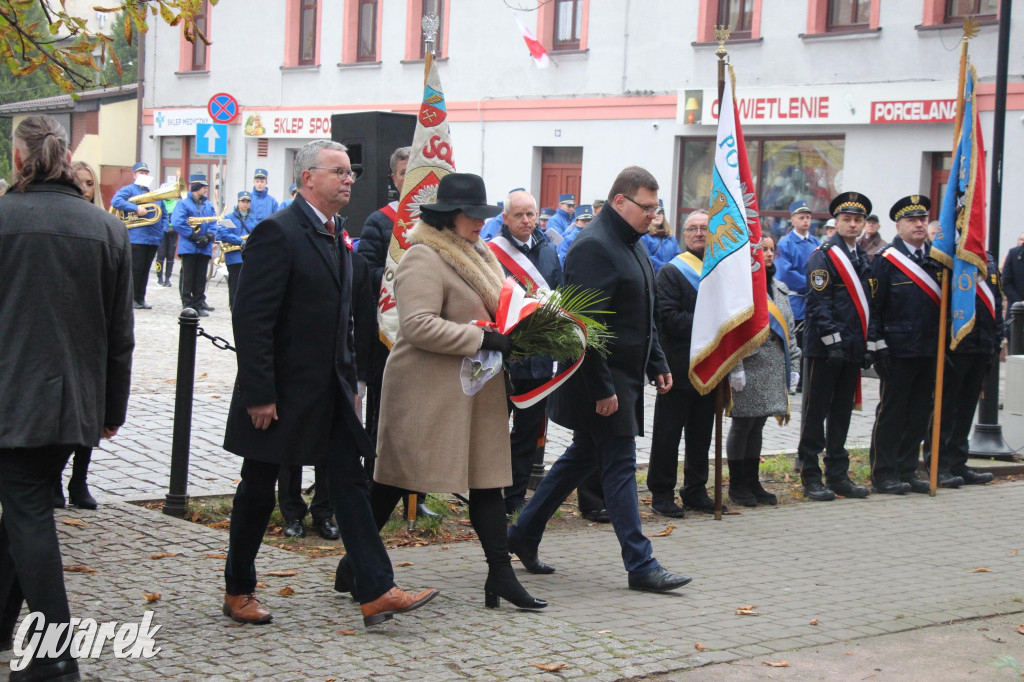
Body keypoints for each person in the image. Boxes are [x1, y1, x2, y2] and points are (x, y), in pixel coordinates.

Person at [222, 139, 439, 627]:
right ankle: (238, 590)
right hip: (280, 393)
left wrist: (355, 379)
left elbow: (347, 316)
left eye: (351, 172)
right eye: (338, 171)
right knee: (258, 490)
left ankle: (376, 589)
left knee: (350, 484)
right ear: (307, 178)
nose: (348, 179)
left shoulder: (339, 232)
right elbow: (252, 320)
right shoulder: (277, 233)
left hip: (330, 393)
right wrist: (259, 393)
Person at [507, 166, 692, 594]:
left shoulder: (631, 242)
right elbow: (582, 325)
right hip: (600, 381)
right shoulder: (594, 246)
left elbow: (640, 313)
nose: (654, 216)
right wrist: (602, 388)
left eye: (656, 207)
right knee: (620, 465)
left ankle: (522, 533)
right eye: (647, 207)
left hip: (623, 378)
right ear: (620, 201)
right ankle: (641, 563)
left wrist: (657, 360)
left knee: (581, 458)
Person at [363, 173, 544, 611]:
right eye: (472, 215)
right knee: (393, 481)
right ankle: (357, 564)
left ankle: (500, 576)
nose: (481, 223)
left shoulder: (476, 252)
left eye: (484, 215)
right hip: (426, 391)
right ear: (448, 217)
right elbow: (417, 325)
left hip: (472, 388)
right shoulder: (423, 256)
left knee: (487, 484)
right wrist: (482, 338)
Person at [0, 115, 134, 682]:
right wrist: (111, 410)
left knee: (27, 511)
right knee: (22, 510)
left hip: (11, 397)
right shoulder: (106, 229)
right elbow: (120, 333)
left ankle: (54, 654)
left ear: (18, 158)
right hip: (74, 401)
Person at [353, 146, 436, 522]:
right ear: (394, 178)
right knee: (385, 419)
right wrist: (406, 282)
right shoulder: (378, 222)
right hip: (389, 338)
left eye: (418, 172)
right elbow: (366, 273)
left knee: (422, 419)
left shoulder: (438, 223)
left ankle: (416, 494)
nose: (411, 180)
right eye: (405, 173)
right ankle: (376, 488)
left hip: (429, 336)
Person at [486, 189, 563, 515]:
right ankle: (488, 497)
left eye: (531, 214)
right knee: (492, 432)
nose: (526, 220)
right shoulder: (490, 254)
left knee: (528, 433)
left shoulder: (548, 251)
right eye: (519, 215)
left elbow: (559, 295)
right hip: (502, 360)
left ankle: (514, 498)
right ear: (505, 218)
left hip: (539, 361)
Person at [797, 192, 875, 502]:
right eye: (847, 219)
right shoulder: (824, 255)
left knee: (842, 413)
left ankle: (838, 475)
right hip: (825, 350)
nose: (853, 224)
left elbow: (866, 304)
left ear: (864, 224)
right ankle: (811, 475)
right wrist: (834, 341)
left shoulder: (862, 257)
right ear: (836, 222)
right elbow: (818, 303)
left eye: (858, 220)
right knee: (816, 414)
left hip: (851, 348)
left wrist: (865, 344)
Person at [647, 208, 723, 517]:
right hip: (677, 366)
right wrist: (710, 321)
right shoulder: (671, 272)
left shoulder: (720, 271)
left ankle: (695, 490)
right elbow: (668, 318)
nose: (699, 233)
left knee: (701, 433)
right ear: (683, 233)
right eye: (692, 228)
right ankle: (662, 493)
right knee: (668, 433)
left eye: (704, 228)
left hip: (710, 365)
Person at [868, 196, 940, 495]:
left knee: (920, 412)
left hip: (928, 348)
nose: (919, 224)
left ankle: (907, 469)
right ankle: (883, 473)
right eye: (912, 220)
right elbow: (875, 306)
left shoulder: (937, 259)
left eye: (923, 219)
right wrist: (877, 345)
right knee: (893, 412)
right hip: (897, 349)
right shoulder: (886, 260)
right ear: (899, 226)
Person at [51, 161, 110, 511]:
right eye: (79, 182)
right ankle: (56, 478)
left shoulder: (105, 227)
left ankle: (80, 480)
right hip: (62, 328)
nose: (85, 189)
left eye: (90, 183)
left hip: (94, 331)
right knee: (65, 413)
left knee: (90, 413)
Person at [726, 235, 800, 507]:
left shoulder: (779, 288)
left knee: (759, 424)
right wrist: (735, 367)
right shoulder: (742, 288)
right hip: (749, 365)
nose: (767, 255)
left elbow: (790, 331)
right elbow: (733, 330)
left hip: (772, 366)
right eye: (762, 250)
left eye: (771, 250)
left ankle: (752, 480)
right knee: (743, 424)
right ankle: (737, 484)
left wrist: (794, 363)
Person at [926, 252, 1002, 486]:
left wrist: (995, 340)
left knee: (967, 408)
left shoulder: (986, 259)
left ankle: (958, 462)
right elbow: (938, 304)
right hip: (955, 345)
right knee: (945, 408)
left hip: (981, 345)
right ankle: (938, 464)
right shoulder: (946, 257)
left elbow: (996, 303)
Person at [111, 161, 166, 310]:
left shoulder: (153, 194)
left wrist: (162, 231)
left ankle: (141, 298)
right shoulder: (129, 190)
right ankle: (132, 299)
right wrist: (136, 208)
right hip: (137, 237)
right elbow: (115, 201)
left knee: (146, 270)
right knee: (136, 269)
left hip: (153, 238)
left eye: (146, 173)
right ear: (134, 175)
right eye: (141, 173)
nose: (144, 175)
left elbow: (164, 215)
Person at [774, 201, 819, 362]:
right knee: (795, 342)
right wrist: (811, 286)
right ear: (793, 220)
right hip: (796, 302)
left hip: (812, 301)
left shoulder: (816, 243)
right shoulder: (785, 244)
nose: (805, 221)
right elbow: (785, 273)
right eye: (801, 217)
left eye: (808, 217)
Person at [172, 174, 217, 316]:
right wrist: (194, 236)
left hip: (204, 247)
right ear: (197, 187)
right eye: (203, 187)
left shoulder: (208, 204)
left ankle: (198, 303)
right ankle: (187, 304)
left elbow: (213, 222)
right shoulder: (183, 203)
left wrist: (209, 236)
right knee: (188, 276)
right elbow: (178, 222)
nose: (205, 190)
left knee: (200, 277)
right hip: (189, 246)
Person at [216, 191, 257, 309]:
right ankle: (234, 306)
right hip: (233, 256)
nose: (245, 204)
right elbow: (223, 234)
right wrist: (240, 241)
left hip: (248, 257)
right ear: (238, 202)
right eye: (243, 201)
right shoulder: (229, 218)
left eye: (247, 202)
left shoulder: (253, 219)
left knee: (247, 284)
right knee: (234, 284)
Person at [640, 201, 681, 272]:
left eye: (660, 213)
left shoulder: (671, 238)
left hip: (670, 277)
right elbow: (647, 257)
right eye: (654, 212)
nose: (657, 215)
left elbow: (678, 257)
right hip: (653, 278)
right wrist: (666, 269)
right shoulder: (644, 236)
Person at [1000, 231, 1024, 318]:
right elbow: (1006, 282)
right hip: (1015, 311)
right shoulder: (1012, 255)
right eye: (1021, 239)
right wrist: (1020, 302)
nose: (1022, 242)